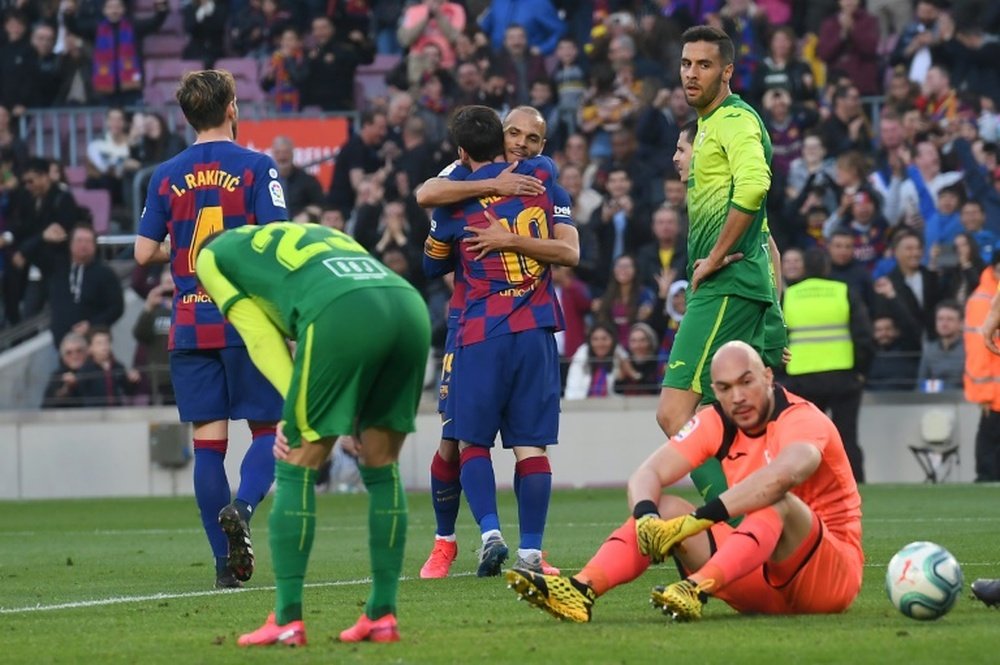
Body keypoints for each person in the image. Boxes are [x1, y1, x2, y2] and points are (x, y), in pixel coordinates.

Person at [507, 341, 862, 624]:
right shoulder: (715, 420)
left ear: (768, 377)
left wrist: (701, 518)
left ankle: (694, 588)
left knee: (776, 501)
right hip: (759, 577)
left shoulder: (801, 418)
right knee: (663, 508)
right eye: (724, 388)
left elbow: (782, 477)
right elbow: (648, 473)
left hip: (828, 580)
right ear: (715, 392)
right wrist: (645, 516)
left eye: (746, 382)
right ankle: (580, 590)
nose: (737, 397)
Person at [192, 222, 428, 646]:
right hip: (407, 306)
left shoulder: (210, 257)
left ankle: (287, 618)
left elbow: (260, 336)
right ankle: (381, 614)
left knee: (295, 463)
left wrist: (291, 406)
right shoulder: (308, 231)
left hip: (339, 310)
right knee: (381, 466)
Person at [134, 70, 287, 589]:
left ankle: (225, 567)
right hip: (247, 322)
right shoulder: (257, 167)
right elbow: (277, 244)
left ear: (186, 115)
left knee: (208, 445)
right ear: (233, 108)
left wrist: (181, 249)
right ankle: (242, 509)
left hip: (190, 326)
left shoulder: (165, 174)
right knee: (270, 431)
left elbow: (140, 252)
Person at [415, 105, 578, 579]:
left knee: (467, 441)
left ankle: (493, 537)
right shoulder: (528, 184)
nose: (522, 145)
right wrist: (495, 186)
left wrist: (505, 238)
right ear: (498, 134)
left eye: (532, 139)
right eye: (514, 133)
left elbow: (431, 259)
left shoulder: (539, 182)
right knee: (459, 441)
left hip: (480, 331)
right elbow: (428, 190)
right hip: (513, 328)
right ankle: (448, 543)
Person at [655, 26, 776, 441]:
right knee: (725, 417)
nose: (691, 74)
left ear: (727, 72)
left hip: (725, 284)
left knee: (675, 414)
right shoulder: (706, 126)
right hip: (736, 284)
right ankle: (771, 502)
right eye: (686, 64)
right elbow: (764, 231)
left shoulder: (734, 119)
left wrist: (715, 256)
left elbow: (755, 183)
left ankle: (730, 508)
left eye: (704, 65)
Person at [780, 248, 873, 483]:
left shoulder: (789, 295)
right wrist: (861, 372)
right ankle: (853, 484)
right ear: (826, 268)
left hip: (801, 379)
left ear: (803, 268)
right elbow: (863, 335)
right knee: (846, 437)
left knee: (805, 437)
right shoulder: (843, 291)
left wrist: (782, 375)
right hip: (843, 376)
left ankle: (807, 485)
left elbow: (776, 339)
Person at [41, 332, 89, 408]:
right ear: (63, 357)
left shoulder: (96, 370)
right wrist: (67, 389)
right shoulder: (57, 377)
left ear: (86, 352)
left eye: (79, 351)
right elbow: (47, 408)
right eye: (69, 353)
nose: (75, 356)